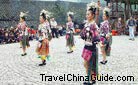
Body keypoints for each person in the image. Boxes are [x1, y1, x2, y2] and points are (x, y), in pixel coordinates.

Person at [80, 2, 100, 84]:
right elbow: (83, 34)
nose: (87, 16)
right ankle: (92, 77)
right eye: (86, 14)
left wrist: (94, 40)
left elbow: (96, 37)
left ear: (92, 15)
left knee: (88, 63)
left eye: (88, 14)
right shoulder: (87, 24)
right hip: (86, 45)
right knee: (86, 63)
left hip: (91, 47)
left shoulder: (93, 25)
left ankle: (89, 79)